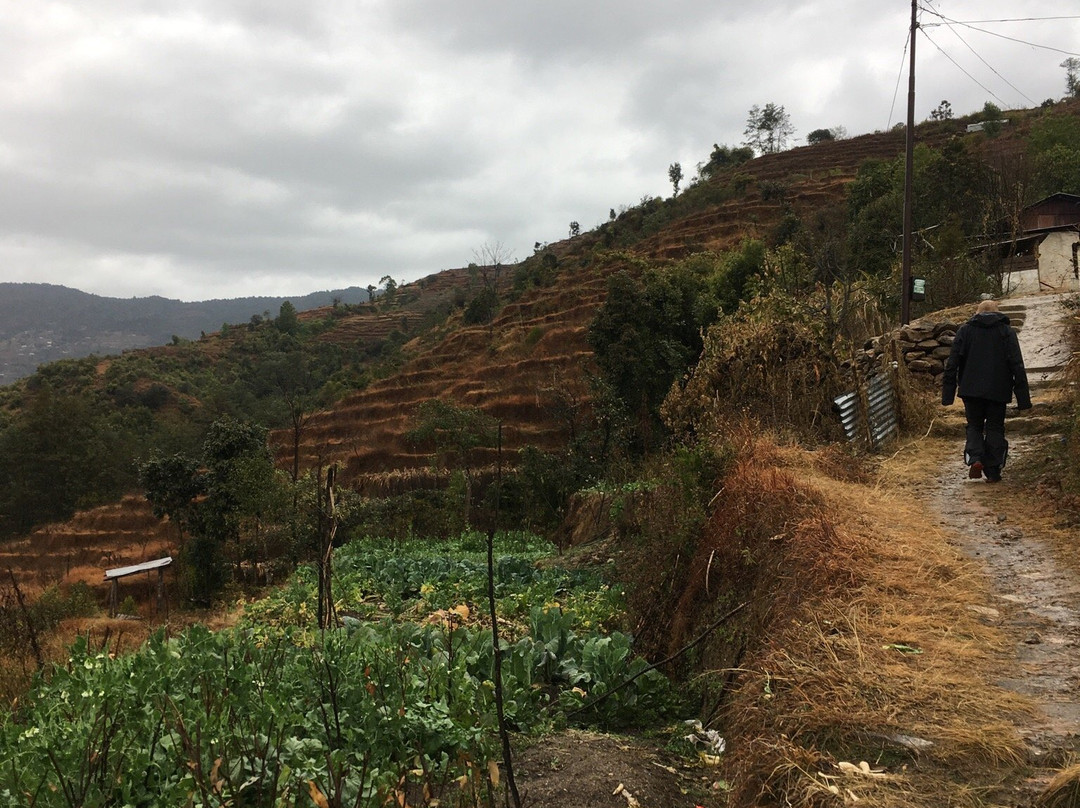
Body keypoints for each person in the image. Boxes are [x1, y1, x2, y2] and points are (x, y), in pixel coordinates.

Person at [941, 299, 1031, 482]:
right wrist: (1023, 398)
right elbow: (1017, 364)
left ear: (976, 313)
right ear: (998, 313)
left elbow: (952, 363)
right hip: (998, 389)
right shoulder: (1006, 332)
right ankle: (993, 470)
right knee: (995, 427)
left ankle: (975, 458)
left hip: (970, 389)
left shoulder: (965, 331)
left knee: (974, 425)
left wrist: (948, 394)